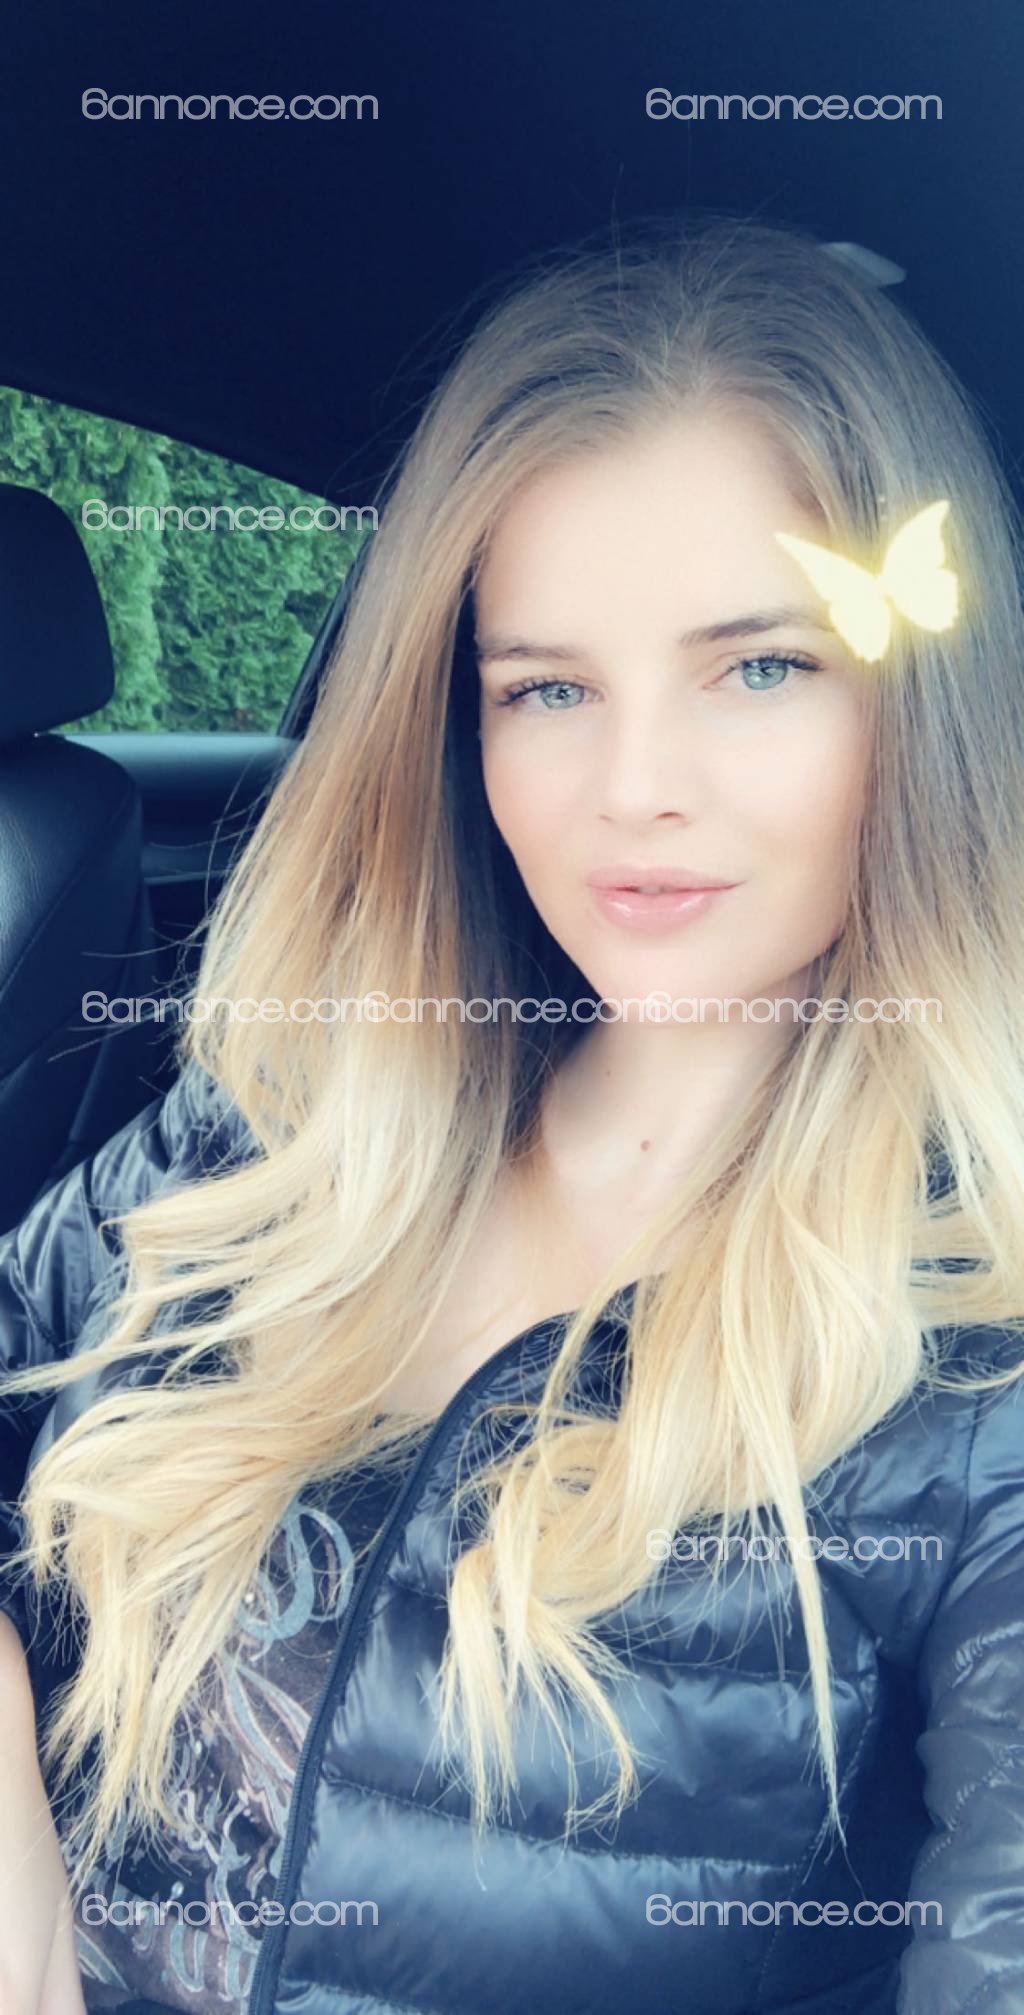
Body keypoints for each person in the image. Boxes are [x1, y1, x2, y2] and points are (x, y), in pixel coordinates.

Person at [1, 210, 1024, 2015]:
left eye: (761, 666)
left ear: (917, 702)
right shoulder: (280, 1126)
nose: (635, 788)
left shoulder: (975, 1351)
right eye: (549, 688)